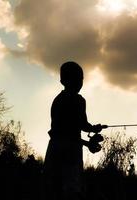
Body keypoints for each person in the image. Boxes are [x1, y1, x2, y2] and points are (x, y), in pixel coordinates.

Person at [42, 61, 105, 200]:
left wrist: (93, 128)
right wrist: (89, 141)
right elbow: (74, 130)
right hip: (69, 151)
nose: (79, 82)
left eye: (81, 79)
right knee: (70, 190)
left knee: (53, 189)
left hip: (54, 148)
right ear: (64, 80)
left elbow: (78, 126)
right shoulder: (79, 100)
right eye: (77, 78)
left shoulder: (58, 100)